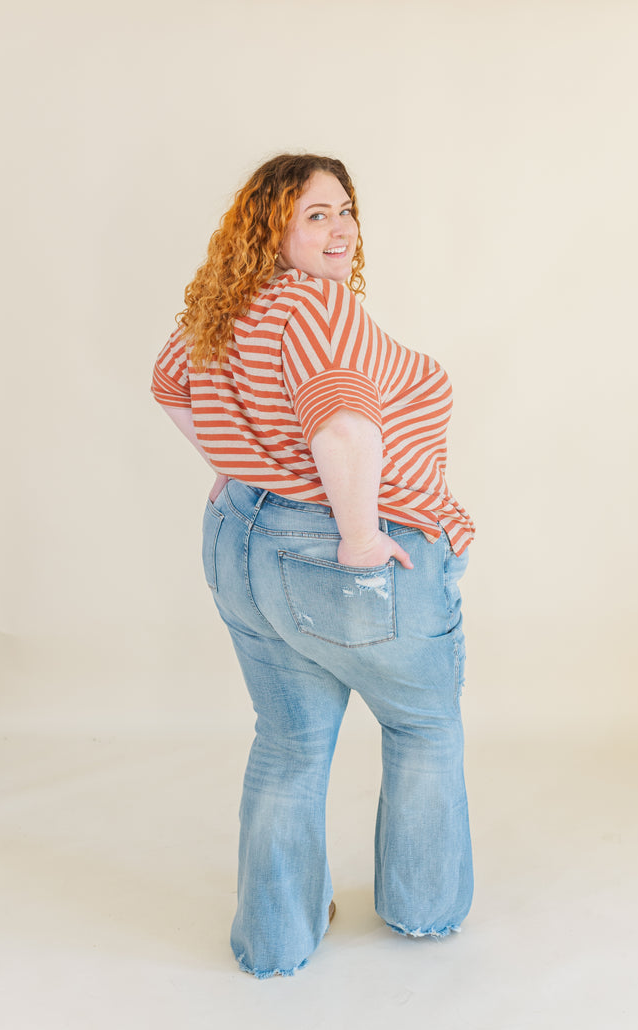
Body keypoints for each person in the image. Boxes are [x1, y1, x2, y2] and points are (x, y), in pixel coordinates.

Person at [151, 153, 476, 978]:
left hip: (240, 540)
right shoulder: (319, 307)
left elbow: (168, 386)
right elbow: (342, 429)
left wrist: (235, 467)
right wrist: (362, 540)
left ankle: (275, 940)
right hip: (332, 551)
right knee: (422, 724)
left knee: (290, 741)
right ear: (273, 230)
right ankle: (423, 909)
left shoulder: (223, 310)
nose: (339, 230)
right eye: (314, 216)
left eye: (343, 210)